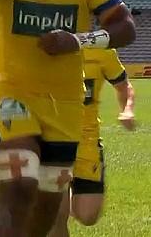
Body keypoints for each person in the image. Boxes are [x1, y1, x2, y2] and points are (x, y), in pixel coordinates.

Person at [0, 0, 135, 237]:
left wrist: (78, 40)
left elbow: (125, 27)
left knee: (47, 213)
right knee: (19, 192)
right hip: (13, 97)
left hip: (66, 109)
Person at [48, 48, 136, 237]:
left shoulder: (103, 52)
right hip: (54, 139)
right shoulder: (48, 46)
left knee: (88, 216)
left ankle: (67, 195)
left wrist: (127, 109)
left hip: (88, 142)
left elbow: (124, 86)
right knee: (56, 217)